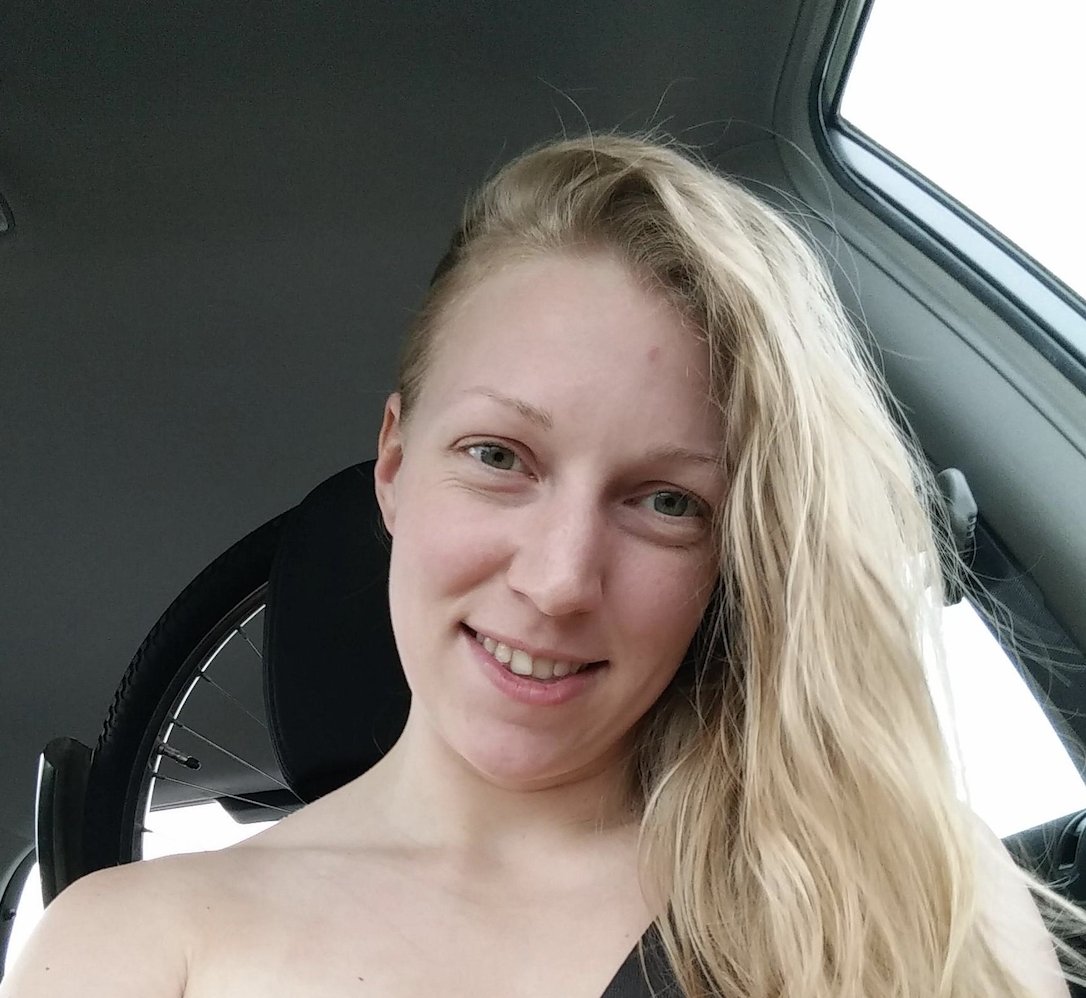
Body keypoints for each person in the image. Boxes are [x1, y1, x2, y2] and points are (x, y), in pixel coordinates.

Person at [2, 132, 1080, 998]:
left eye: (668, 502)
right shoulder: (131, 946)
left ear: (735, 554)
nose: (561, 579)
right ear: (394, 466)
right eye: (499, 456)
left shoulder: (909, 896)